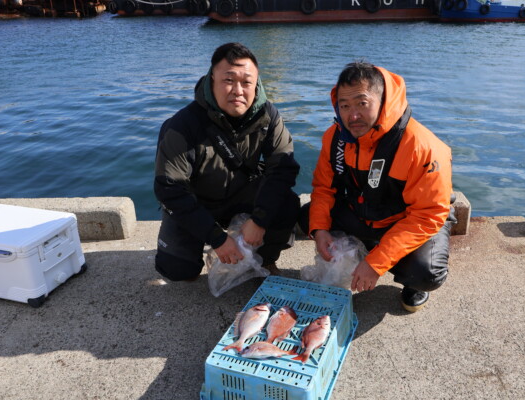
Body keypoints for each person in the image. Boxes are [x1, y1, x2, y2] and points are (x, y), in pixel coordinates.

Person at [300, 61, 456, 312]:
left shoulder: (423, 146)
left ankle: (409, 282)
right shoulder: (334, 137)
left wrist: (376, 263)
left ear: (383, 101)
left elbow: (428, 215)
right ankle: (364, 249)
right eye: (344, 106)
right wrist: (319, 230)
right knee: (308, 216)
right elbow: (323, 188)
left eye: (362, 103)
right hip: (364, 213)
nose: (352, 115)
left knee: (426, 273)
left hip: (407, 220)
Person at [154, 42, 300, 282]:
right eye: (228, 80)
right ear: (212, 79)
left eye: (246, 82)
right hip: (197, 200)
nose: (238, 90)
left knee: (286, 202)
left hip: (241, 193)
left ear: (257, 84)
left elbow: (283, 169)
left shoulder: (268, 116)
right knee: (177, 271)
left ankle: (265, 257)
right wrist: (217, 238)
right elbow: (168, 187)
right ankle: (199, 244)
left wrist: (260, 220)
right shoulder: (182, 124)